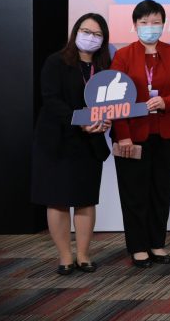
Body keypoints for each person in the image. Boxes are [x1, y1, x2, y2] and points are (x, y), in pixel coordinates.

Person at [111, 0, 170, 268]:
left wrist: (166, 101)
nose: (150, 27)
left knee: (161, 190)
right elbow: (114, 98)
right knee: (134, 192)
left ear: (163, 24)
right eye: (144, 22)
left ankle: (157, 243)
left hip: (168, 133)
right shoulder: (123, 55)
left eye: (156, 22)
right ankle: (138, 246)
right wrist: (122, 134)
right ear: (135, 25)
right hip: (133, 134)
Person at [32, 14, 112, 275]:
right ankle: (65, 256)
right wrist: (81, 121)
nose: (91, 37)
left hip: (89, 143)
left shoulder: (105, 67)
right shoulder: (56, 61)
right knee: (57, 200)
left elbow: (110, 102)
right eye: (86, 31)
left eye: (97, 34)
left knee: (85, 199)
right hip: (57, 140)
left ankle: (84, 255)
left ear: (103, 40)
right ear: (75, 32)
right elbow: (51, 99)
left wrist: (105, 119)